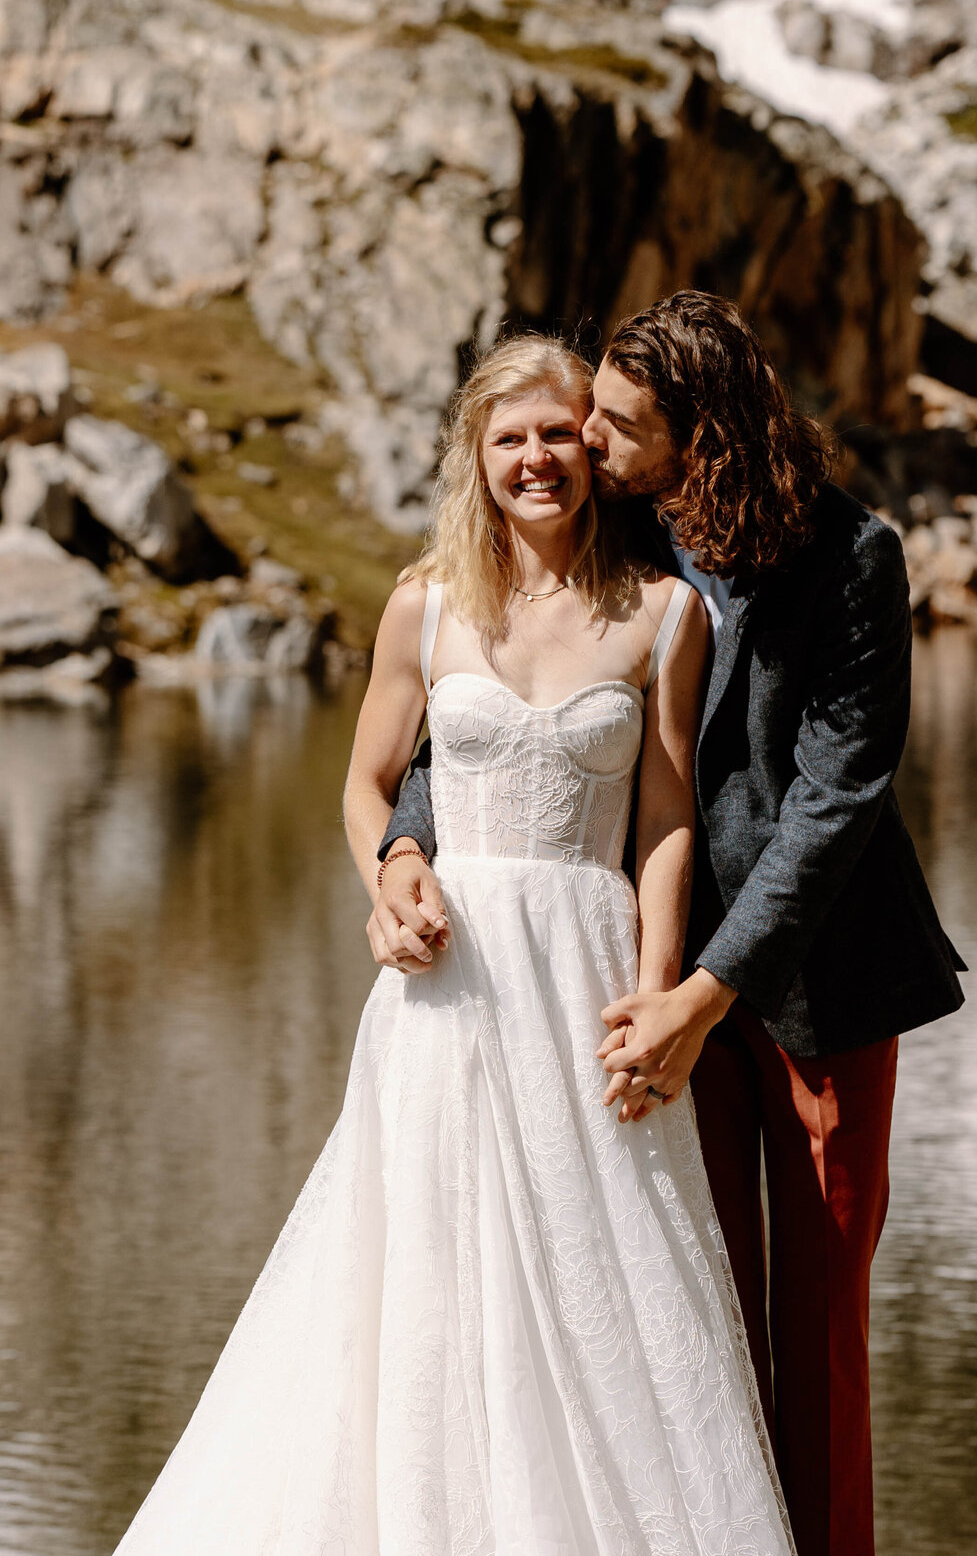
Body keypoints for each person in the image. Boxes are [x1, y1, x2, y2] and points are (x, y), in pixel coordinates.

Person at [112, 334, 796, 1556]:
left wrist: (654, 1001)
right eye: (510, 439)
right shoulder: (424, 605)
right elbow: (369, 784)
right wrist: (395, 872)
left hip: (586, 980)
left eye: (558, 434)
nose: (537, 460)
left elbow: (666, 818)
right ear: (475, 456)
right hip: (450, 989)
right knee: (427, 1265)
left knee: (611, 1281)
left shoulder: (663, 614)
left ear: (593, 443)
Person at [378, 292, 967, 1556]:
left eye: (615, 420)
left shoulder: (851, 554)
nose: (582, 437)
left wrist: (704, 995)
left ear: (696, 435)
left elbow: (837, 803)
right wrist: (405, 841)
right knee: (690, 1314)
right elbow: (474, 712)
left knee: (816, 1330)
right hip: (637, 977)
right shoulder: (620, 527)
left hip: (817, 981)